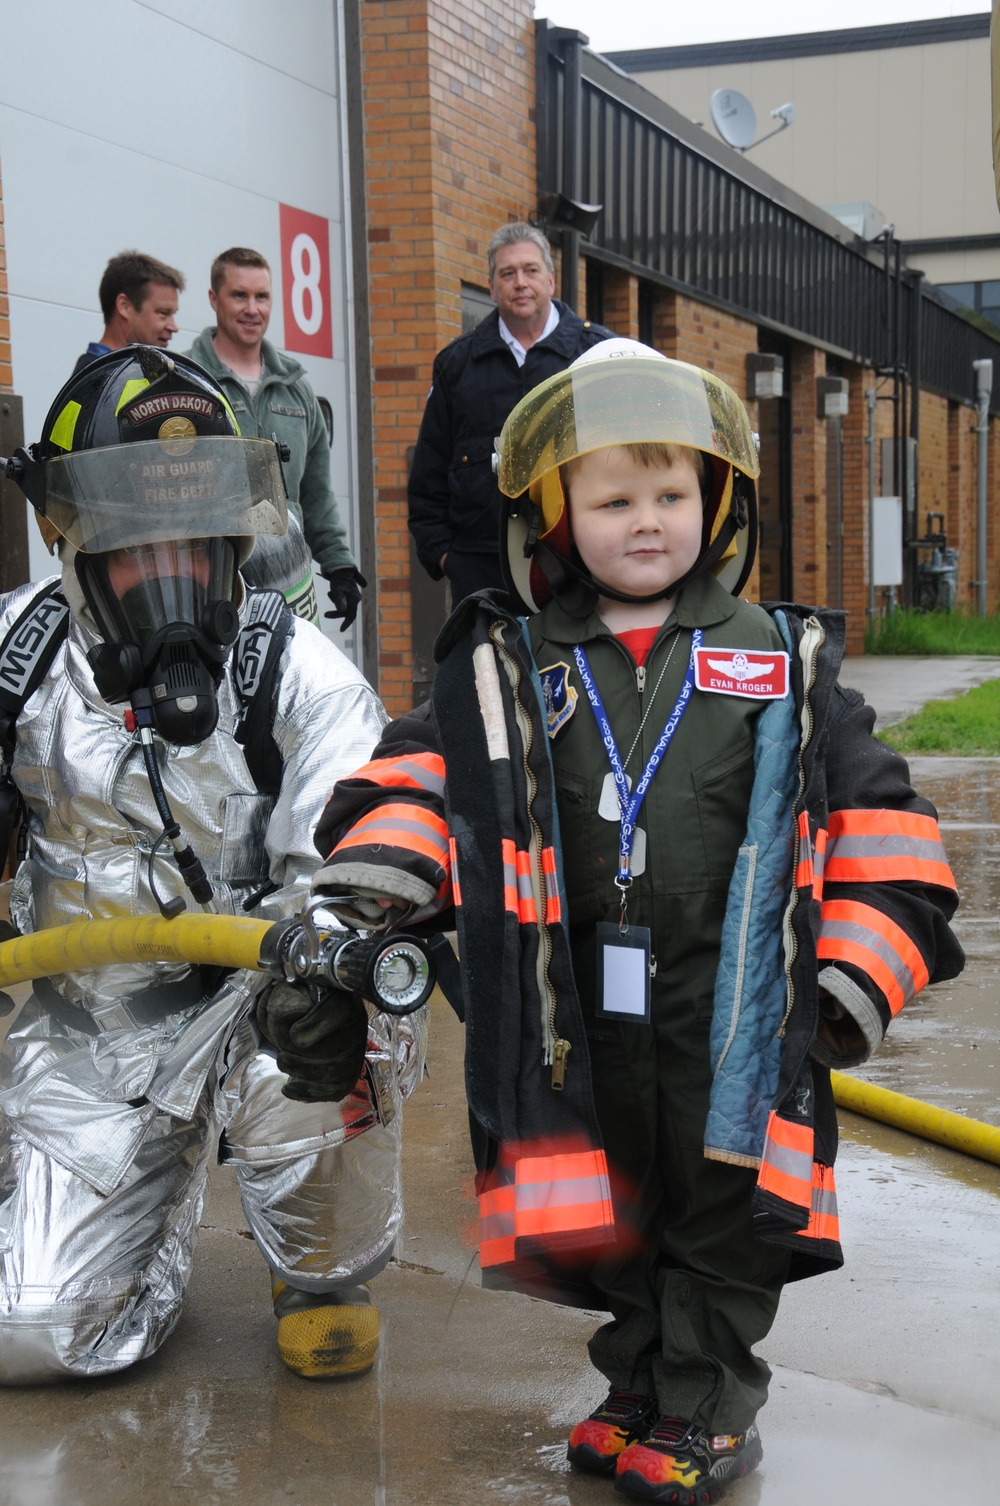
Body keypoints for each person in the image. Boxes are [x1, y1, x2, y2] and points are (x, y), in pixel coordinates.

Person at [309, 342, 964, 1503]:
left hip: (734, 1022)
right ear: (552, 519)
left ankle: (710, 1399)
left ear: (719, 503)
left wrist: (836, 994)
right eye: (613, 499)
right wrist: (374, 896)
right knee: (607, 1206)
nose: (647, 522)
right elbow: (424, 785)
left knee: (718, 1209)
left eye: (671, 495)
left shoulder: (779, 660)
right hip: (578, 1021)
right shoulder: (510, 667)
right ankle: (639, 1378)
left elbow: (886, 831)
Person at [0, 346, 424, 1384]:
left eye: (198, 534)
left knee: (329, 1033)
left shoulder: (298, 672)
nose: (176, 567)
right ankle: (122, 1222)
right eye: (141, 539)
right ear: (73, 539)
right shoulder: (16, 660)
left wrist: (323, 961)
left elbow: (350, 873)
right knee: (36, 1339)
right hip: (82, 1015)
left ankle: (320, 1267)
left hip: (261, 989)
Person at [407, 221, 613, 602]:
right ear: (491, 287)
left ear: (550, 280)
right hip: (480, 573)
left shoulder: (597, 355)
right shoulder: (457, 364)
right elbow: (428, 475)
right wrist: (446, 558)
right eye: (508, 273)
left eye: (531, 270)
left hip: (580, 566)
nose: (521, 282)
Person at [186, 247, 365, 631]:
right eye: (239, 295)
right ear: (214, 299)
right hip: (211, 580)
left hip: (290, 580)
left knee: (293, 683)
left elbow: (316, 493)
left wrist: (339, 566)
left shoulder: (296, 389)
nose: (252, 308)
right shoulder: (187, 382)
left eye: (261, 296)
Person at [72, 250, 184, 374]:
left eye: (173, 314)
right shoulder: (95, 378)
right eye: (163, 313)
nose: (174, 327)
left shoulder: (141, 371)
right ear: (124, 306)